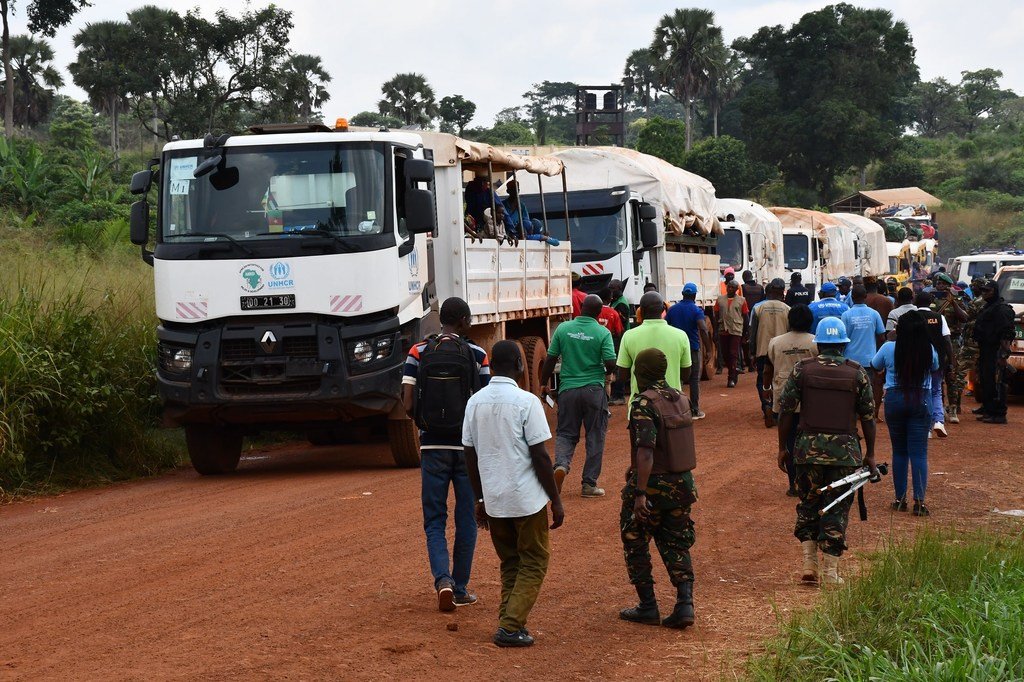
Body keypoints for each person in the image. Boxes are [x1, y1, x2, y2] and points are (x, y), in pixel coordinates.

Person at [464, 341, 564, 648]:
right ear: (521, 367)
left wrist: (479, 499)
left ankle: (510, 618)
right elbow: (541, 457)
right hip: (525, 499)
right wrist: (555, 500)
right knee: (534, 560)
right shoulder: (527, 402)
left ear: (491, 366)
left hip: (494, 499)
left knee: (510, 561)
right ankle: (509, 626)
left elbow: (469, 455)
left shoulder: (474, 402)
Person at [402, 297, 490, 612]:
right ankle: (462, 587)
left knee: (435, 519)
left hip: (432, 446)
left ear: (443, 321)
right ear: (465, 321)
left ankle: (443, 581)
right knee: (467, 517)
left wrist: (424, 427)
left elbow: (409, 401)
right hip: (467, 449)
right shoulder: (478, 354)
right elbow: (484, 402)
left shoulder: (418, 352)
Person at [777, 318, 876, 585]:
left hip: (807, 451)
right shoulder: (856, 372)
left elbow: (786, 411)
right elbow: (868, 416)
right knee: (838, 507)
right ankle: (831, 572)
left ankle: (809, 564)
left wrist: (782, 449)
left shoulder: (802, 370)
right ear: (843, 345)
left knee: (808, 503)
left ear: (819, 344)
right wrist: (871, 454)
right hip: (845, 453)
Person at [618, 348, 699, 630]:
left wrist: (639, 493)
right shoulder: (680, 398)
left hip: (653, 486)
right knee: (677, 541)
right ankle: (684, 603)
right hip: (682, 484)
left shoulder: (643, 403)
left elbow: (646, 450)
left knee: (635, 538)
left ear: (641, 373)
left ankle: (648, 606)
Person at [540, 295, 617, 498]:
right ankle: (589, 484)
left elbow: (550, 359)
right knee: (595, 435)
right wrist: (599, 369)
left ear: (581, 308)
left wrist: (542, 383)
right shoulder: (602, 332)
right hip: (594, 390)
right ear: (599, 312)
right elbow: (610, 364)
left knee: (566, 433)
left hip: (568, 390)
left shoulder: (563, 329)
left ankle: (561, 466)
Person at [871, 311, 939, 516]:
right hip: (921, 399)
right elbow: (935, 367)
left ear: (898, 329)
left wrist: (891, 338)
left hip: (895, 399)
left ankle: (899, 499)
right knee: (919, 453)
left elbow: (875, 365)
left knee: (899, 452)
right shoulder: (929, 349)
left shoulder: (889, 347)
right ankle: (919, 502)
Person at [766, 305, 817, 496]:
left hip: (784, 396)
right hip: (809, 398)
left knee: (789, 441)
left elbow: (768, 368)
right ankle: (808, 480)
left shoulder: (775, 342)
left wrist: (766, 390)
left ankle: (793, 484)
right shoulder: (815, 342)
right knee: (809, 440)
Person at [617, 292, 692, 405]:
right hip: (672, 406)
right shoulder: (681, 336)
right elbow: (686, 375)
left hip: (640, 407)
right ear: (663, 309)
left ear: (640, 311)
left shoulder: (629, 336)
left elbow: (623, 375)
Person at [972, 279, 1016, 424]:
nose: (984, 293)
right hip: (986, 349)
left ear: (994, 291)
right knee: (986, 380)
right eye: (983, 290)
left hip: (996, 350)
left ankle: (998, 414)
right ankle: (988, 408)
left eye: (987, 291)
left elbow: (1007, 334)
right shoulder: (989, 307)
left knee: (997, 383)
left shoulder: (1001, 309)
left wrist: (1003, 355)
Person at [666, 283, 711, 420]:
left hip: (675, 349)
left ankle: (677, 409)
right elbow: (703, 329)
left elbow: (666, 325)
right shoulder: (696, 310)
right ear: (695, 295)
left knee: (677, 377)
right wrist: (708, 349)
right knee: (693, 379)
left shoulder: (672, 310)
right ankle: (694, 410)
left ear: (683, 293)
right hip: (692, 348)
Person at [748, 278, 790, 424]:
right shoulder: (787, 309)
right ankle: (778, 409)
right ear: (782, 292)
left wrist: (752, 352)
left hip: (763, 350)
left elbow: (752, 332)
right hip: (782, 351)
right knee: (780, 379)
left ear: (770, 291)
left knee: (762, 379)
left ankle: (766, 404)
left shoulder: (758, 308)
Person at [916, 291, 954, 438]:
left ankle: (926, 428)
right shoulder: (940, 318)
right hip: (937, 362)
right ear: (930, 303)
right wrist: (951, 362)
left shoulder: (911, 318)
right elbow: (947, 341)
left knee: (921, 392)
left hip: (917, 362)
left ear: (915, 302)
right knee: (936, 391)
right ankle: (938, 421)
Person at [933, 273, 969, 423]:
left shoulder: (957, 300)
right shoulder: (932, 299)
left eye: (942, 284)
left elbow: (965, 318)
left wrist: (953, 301)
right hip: (935, 341)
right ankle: (939, 407)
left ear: (948, 286)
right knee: (936, 374)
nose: (939, 286)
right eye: (938, 283)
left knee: (951, 374)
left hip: (952, 341)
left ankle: (953, 408)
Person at [840, 285, 886, 403]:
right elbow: (881, 336)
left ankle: (853, 413)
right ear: (865, 296)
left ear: (852, 297)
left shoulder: (846, 315)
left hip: (850, 359)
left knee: (851, 388)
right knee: (867, 388)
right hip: (869, 359)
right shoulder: (874, 314)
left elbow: (843, 338)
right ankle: (866, 414)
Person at [715, 280, 749, 388]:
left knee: (733, 353)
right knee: (725, 354)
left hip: (736, 330)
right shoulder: (720, 299)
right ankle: (734, 369)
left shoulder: (742, 300)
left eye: (732, 287)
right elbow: (716, 316)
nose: (730, 289)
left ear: (736, 289)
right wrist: (715, 331)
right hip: (723, 329)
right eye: (729, 287)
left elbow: (746, 317)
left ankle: (731, 378)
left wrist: (745, 332)